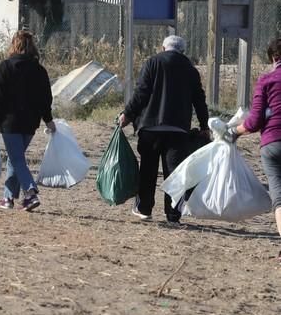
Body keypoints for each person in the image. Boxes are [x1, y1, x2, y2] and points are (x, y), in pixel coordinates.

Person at [119, 35, 210, 224]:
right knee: (175, 172)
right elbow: (199, 100)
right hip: (178, 129)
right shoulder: (191, 70)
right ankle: (173, 214)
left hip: (150, 127)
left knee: (148, 169)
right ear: (182, 51)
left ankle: (144, 208)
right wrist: (204, 125)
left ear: (163, 47)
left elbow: (141, 92)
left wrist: (127, 115)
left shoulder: (152, 63)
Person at [0, 30, 55, 212]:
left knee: (16, 158)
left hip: (9, 121)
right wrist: (48, 120)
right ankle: (7, 198)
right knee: (16, 159)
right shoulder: (39, 70)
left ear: (15, 45)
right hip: (30, 122)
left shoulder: (5, 67)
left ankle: (30, 192)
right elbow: (45, 98)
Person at [227, 38, 281, 258]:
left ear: (273, 57)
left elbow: (254, 121)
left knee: (279, 196)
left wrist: (233, 131)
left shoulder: (267, 80)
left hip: (273, 142)